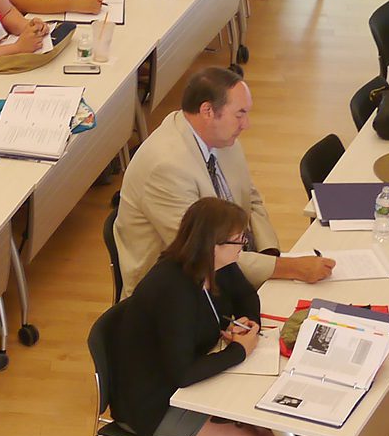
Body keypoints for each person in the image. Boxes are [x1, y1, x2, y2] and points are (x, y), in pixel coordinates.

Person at [107, 199, 301, 436]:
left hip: (191, 378)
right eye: (237, 241)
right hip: (153, 400)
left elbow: (245, 297)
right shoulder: (172, 289)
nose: (242, 247)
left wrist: (247, 324)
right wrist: (239, 352)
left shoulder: (216, 264)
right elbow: (179, 372)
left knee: (273, 432)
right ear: (211, 243)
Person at [114, 67, 336, 298]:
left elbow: (250, 198)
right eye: (239, 114)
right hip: (180, 293)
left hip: (232, 266)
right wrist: (290, 268)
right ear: (207, 110)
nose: (246, 124)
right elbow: (203, 253)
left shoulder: (220, 138)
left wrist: (270, 253)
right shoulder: (165, 168)